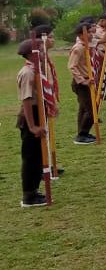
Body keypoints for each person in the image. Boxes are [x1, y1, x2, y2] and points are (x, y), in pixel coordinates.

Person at [15, 39, 47, 207]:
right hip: (30, 116)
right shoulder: (27, 73)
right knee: (30, 157)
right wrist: (33, 126)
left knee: (37, 156)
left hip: (37, 112)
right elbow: (26, 100)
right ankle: (28, 196)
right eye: (40, 51)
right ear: (31, 54)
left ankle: (34, 190)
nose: (43, 54)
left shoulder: (35, 70)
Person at [68, 23, 96, 145]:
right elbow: (71, 66)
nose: (91, 34)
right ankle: (81, 135)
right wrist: (82, 81)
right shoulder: (78, 48)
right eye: (89, 32)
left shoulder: (85, 46)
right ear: (81, 34)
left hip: (87, 80)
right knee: (92, 109)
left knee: (83, 109)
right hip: (82, 83)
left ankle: (82, 132)